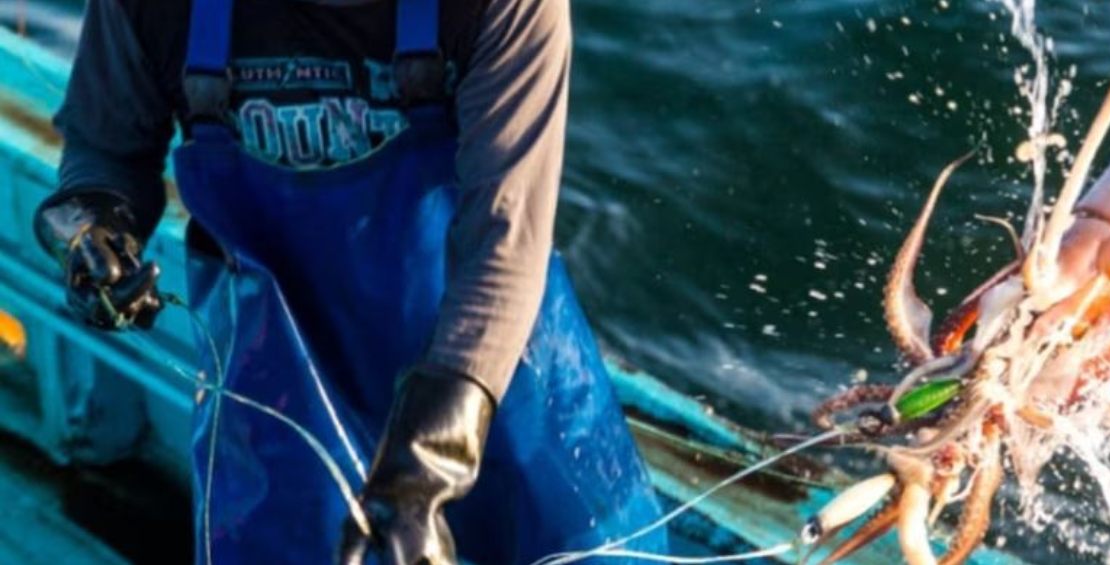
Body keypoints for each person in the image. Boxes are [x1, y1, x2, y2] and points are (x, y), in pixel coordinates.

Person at [31, 0, 668, 563]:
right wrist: (92, 228)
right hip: (275, 387)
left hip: (491, 378)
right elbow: (105, 152)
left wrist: (425, 471)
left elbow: (503, 246)